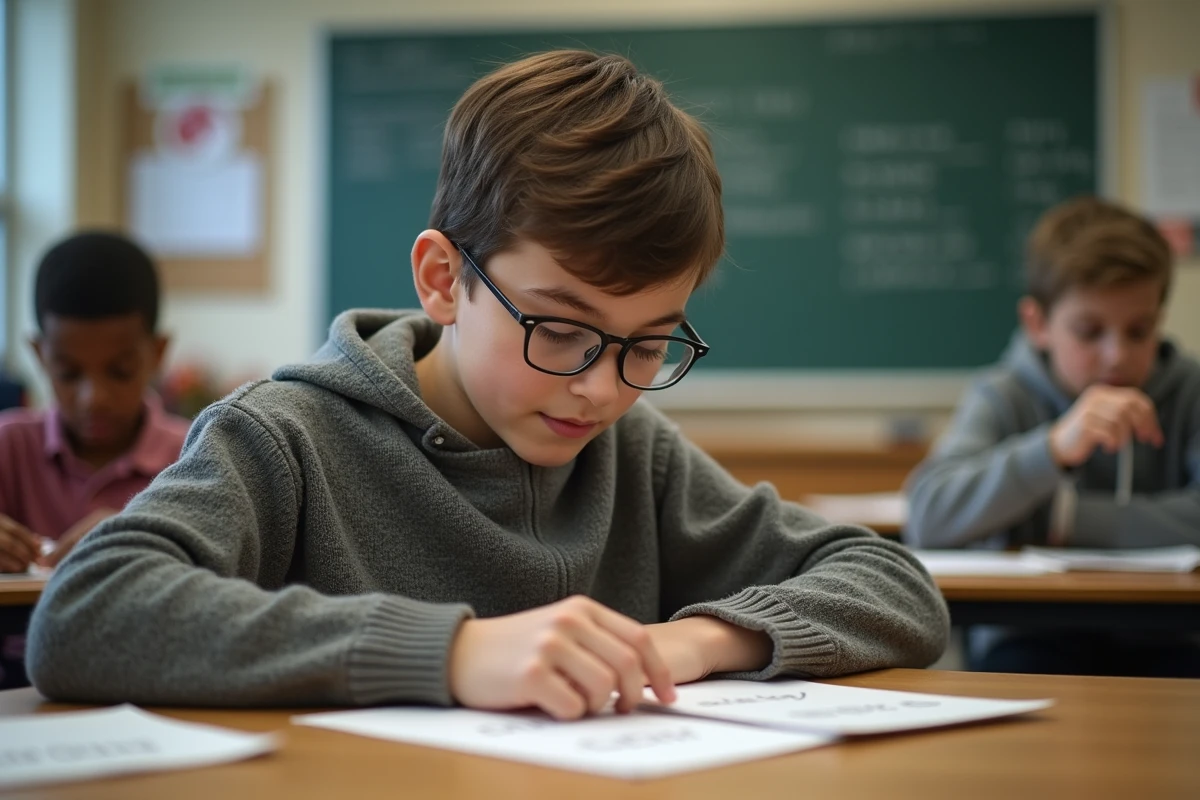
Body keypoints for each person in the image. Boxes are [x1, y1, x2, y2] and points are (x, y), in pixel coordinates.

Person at [28, 51, 947, 716]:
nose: (599, 389)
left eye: (648, 346)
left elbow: (895, 583)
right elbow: (85, 612)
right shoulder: (286, 438)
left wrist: (686, 642)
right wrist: (452, 651)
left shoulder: (631, 453)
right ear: (442, 280)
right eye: (561, 329)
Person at [905, 195, 1200, 677]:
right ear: (1038, 324)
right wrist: (1053, 449)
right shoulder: (1002, 394)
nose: (1116, 356)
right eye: (1089, 332)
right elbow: (929, 514)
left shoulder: (1190, 392)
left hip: (1169, 639)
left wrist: (1060, 518)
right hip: (1029, 639)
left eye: (1138, 331)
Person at [0, 230, 190, 687]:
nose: (93, 397)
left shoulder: (196, 456)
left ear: (158, 353)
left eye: (120, 371)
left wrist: (142, 534)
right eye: (68, 373)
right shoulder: (9, 447)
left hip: (150, 682)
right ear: (39, 355)